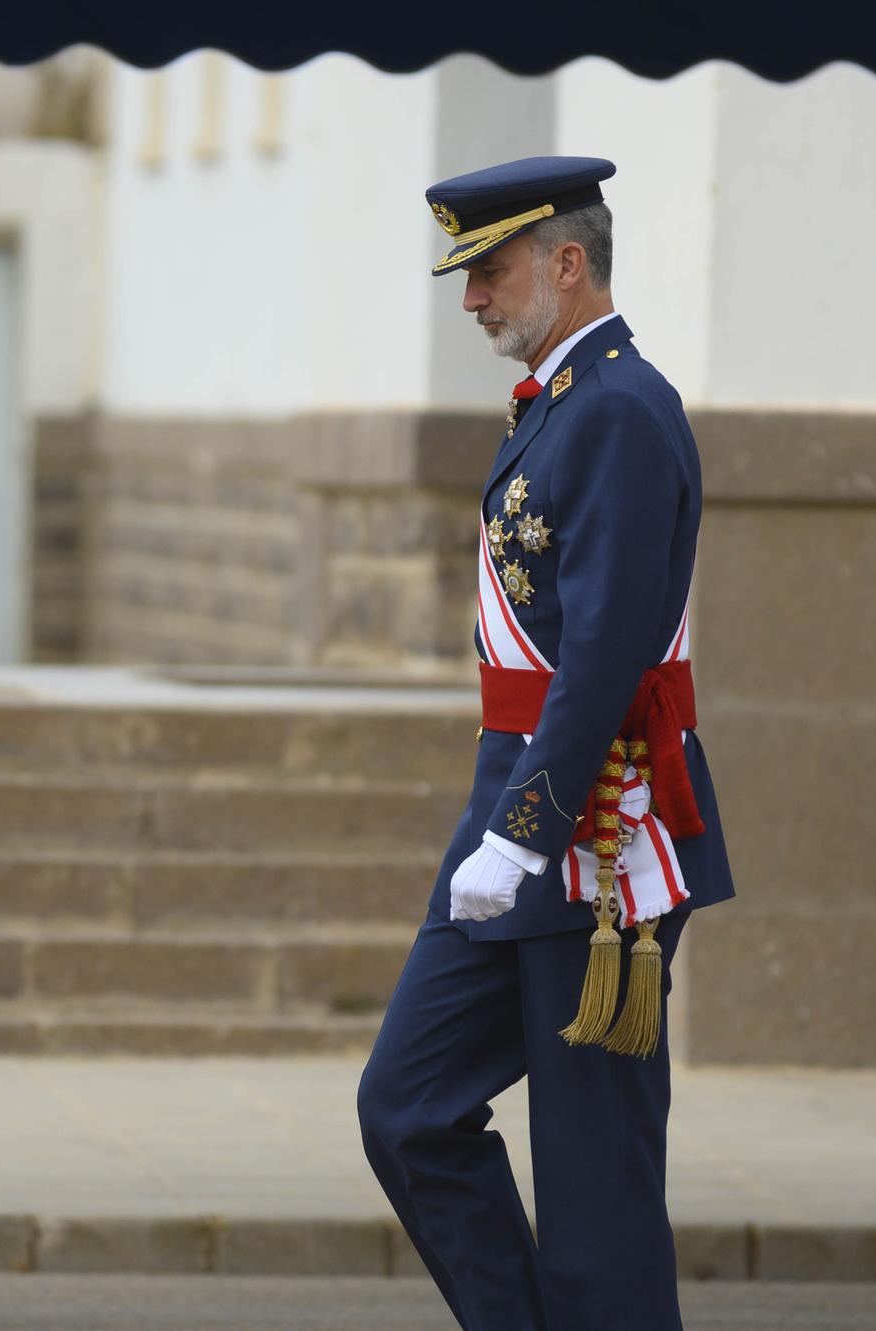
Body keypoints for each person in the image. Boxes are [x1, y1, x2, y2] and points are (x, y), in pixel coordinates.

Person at [355, 156, 735, 1331]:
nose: (471, 298)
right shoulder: (571, 402)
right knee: (406, 1107)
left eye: (492, 270)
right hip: (520, 809)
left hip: (592, 827)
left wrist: (523, 831)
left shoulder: (619, 408)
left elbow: (608, 650)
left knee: (593, 1180)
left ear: (567, 264)